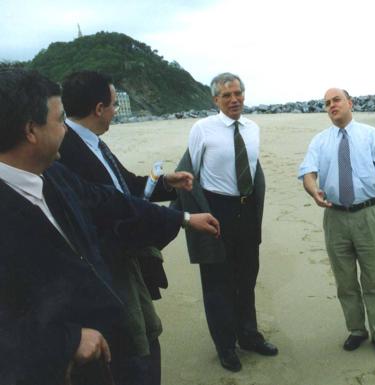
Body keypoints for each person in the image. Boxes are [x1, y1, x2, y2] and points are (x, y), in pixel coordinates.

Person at [0, 69, 220, 385]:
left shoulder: (53, 175)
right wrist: (66, 342)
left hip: (99, 337)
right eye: (60, 120)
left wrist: (182, 218)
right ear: (31, 131)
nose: (66, 129)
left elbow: (112, 198)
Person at [58, 70, 191, 385]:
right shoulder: (67, 151)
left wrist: (164, 185)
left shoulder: (92, 142)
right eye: (115, 105)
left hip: (125, 263)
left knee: (146, 334)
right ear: (99, 108)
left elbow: (125, 185)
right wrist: (180, 220)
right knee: (131, 347)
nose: (116, 111)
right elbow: (106, 205)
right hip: (108, 269)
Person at [173, 72, 277, 372]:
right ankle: (225, 344)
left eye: (238, 94)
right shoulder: (202, 129)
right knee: (217, 281)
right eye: (226, 95)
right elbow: (189, 173)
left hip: (246, 211)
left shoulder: (253, 128)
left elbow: (254, 171)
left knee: (246, 277)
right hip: (216, 210)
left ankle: (249, 334)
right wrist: (195, 216)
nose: (234, 100)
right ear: (215, 100)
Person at [298, 88, 375, 359]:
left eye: (336, 100)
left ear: (350, 103)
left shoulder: (372, 136)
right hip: (335, 217)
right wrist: (314, 191)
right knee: (345, 280)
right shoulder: (320, 141)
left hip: (367, 215)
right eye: (326, 103)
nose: (331, 105)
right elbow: (307, 173)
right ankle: (357, 330)